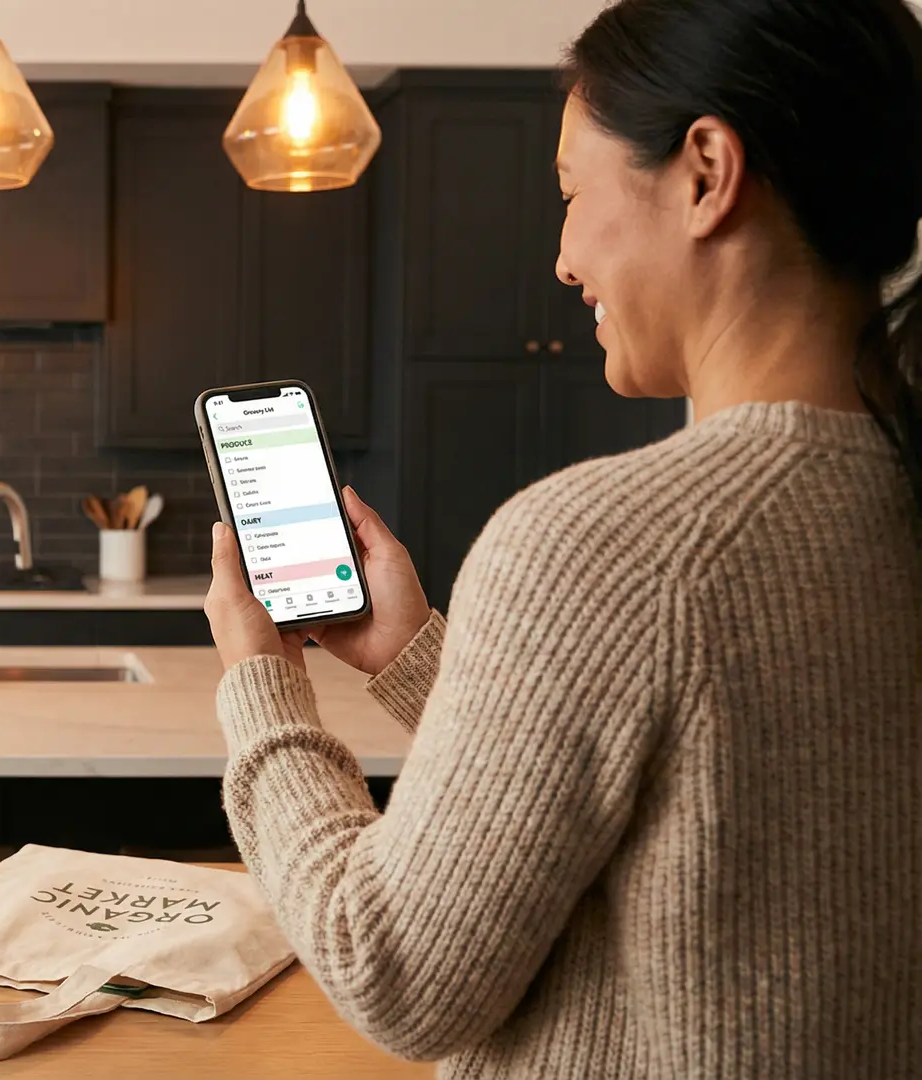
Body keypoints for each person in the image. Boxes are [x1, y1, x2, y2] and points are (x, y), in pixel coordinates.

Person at [203, 1, 922, 1077]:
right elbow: (675, 801)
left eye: (573, 193)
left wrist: (263, 690)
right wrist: (417, 660)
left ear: (706, 172)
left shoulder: (608, 545)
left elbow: (390, 968)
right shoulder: (889, 496)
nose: (563, 259)